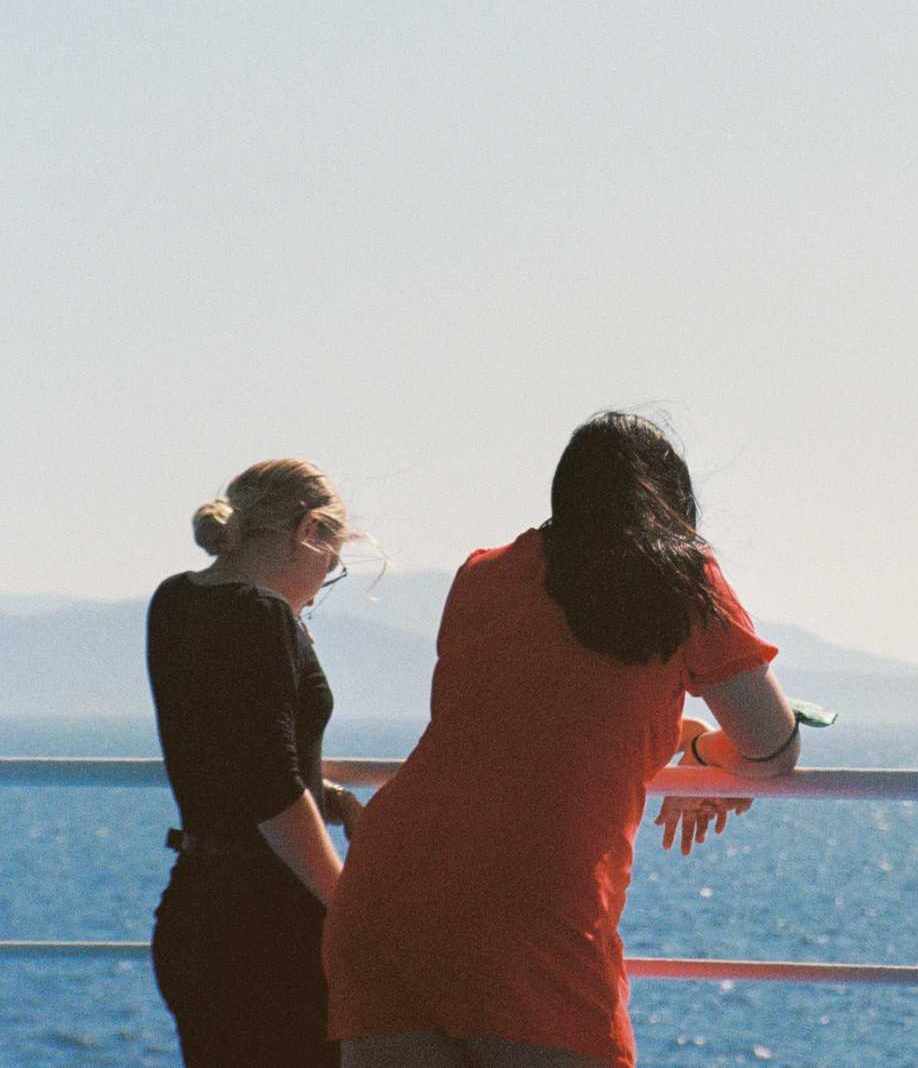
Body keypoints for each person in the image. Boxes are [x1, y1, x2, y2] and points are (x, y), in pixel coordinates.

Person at [324, 412, 802, 1068]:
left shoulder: (484, 574)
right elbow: (772, 747)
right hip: (531, 913)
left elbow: (527, 724)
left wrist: (684, 744)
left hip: (388, 895)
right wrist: (707, 755)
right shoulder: (682, 578)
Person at [148, 457, 369, 1068]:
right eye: (334, 558)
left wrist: (328, 794)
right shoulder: (262, 617)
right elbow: (269, 787)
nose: (327, 577)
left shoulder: (173, 601)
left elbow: (227, 755)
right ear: (310, 532)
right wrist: (350, 907)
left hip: (195, 911)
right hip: (267, 929)